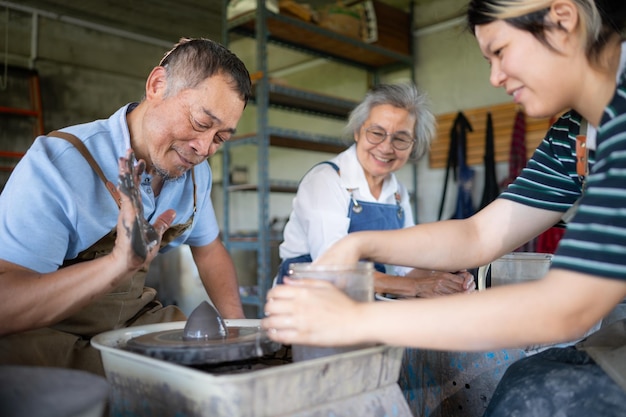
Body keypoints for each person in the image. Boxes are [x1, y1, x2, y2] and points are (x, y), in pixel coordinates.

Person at [262, 1, 626, 415]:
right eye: (377, 134)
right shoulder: (573, 134)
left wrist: (358, 319)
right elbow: (478, 234)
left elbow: (566, 307)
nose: (495, 77)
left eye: (501, 51)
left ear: (562, 18)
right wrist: (363, 244)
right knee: (522, 382)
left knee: (533, 401)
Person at [0, 38, 250, 376]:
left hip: (132, 323)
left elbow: (209, 249)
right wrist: (118, 264)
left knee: (220, 368)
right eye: (201, 123)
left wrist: (237, 333)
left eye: (221, 138)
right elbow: (6, 306)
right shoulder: (58, 164)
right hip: (48, 331)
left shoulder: (195, 176)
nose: (204, 148)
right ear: (157, 85)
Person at [276, 83, 475, 298]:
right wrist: (419, 287)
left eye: (400, 138)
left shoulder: (397, 192)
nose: (386, 147)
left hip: (359, 305)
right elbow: (332, 268)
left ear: (412, 146)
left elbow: (405, 265)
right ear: (357, 132)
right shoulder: (327, 180)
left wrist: (447, 279)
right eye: (377, 132)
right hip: (305, 304)